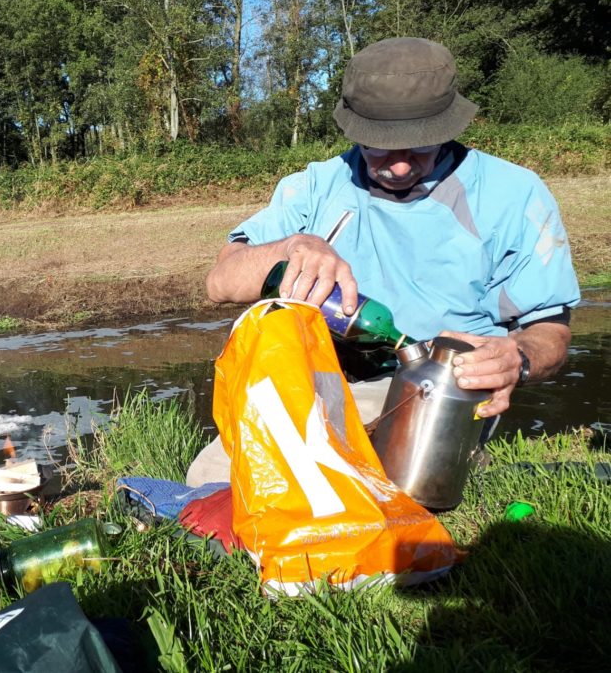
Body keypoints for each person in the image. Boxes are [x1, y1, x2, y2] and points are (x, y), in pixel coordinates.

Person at [187, 37, 580, 486]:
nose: (397, 167)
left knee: (344, 485)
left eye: (419, 147)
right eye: (379, 147)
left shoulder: (513, 195)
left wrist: (518, 358)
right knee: (210, 483)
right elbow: (219, 282)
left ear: (450, 127)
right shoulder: (316, 186)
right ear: (353, 130)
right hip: (317, 381)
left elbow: (551, 331)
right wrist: (291, 246)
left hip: (444, 391)